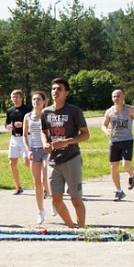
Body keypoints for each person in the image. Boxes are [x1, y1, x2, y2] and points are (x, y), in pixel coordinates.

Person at [42, 78, 90, 229]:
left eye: (59, 89)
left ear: (66, 93)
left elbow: (86, 135)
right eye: (53, 88)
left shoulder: (73, 111)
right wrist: (45, 143)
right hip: (53, 161)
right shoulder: (46, 112)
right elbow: (43, 131)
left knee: (76, 199)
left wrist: (67, 142)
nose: (55, 91)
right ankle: (71, 228)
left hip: (71, 159)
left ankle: (81, 230)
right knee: (55, 199)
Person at [102, 89, 134, 201]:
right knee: (114, 166)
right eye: (114, 96)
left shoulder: (130, 110)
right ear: (112, 98)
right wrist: (106, 130)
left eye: (119, 96)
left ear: (123, 97)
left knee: (126, 165)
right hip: (114, 141)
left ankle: (132, 175)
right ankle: (119, 191)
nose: (117, 98)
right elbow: (103, 125)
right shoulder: (109, 112)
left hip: (127, 140)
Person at [23, 91, 53, 224]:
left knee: (45, 178)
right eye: (34, 99)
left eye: (39, 99)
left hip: (46, 149)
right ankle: (41, 210)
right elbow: (24, 135)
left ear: (45, 101)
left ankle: (54, 201)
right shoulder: (27, 116)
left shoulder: (48, 115)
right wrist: (28, 150)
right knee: (37, 182)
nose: (36, 101)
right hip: (34, 150)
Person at [6, 89, 31, 195]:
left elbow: (34, 121)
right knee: (12, 162)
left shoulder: (27, 109)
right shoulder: (10, 110)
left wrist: (23, 125)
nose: (15, 99)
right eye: (13, 97)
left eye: (17, 97)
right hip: (14, 138)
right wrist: (8, 126)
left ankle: (42, 183)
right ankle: (18, 187)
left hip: (26, 137)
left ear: (21, 98)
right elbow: (7, 123)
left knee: (27, 162)